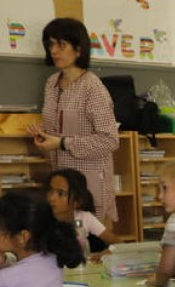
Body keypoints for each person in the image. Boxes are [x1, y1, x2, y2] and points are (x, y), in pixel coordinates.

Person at [28, 17, 119, 224]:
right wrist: (44, 139)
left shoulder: (92, 87)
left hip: (88, 184)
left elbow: (110, 141)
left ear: (78, 49)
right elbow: (56, 131)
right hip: (60, 183)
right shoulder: (51, 83)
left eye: (62, 44)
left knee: (91, 248)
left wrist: (62, 143)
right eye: (51, 44)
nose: (54, 50)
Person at [46, 168, 121, 256]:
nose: (51, 198)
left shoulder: (85, 218)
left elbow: (118, 243)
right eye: (50, 190)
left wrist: (105, 253)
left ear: (77, 201)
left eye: (61, 193)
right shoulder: (40, 218)